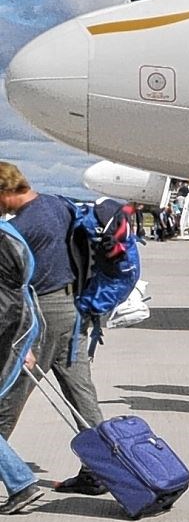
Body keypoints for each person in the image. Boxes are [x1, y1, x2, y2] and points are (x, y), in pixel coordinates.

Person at [0, 163, 106, 494]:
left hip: (40, 314)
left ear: (4, 192)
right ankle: (102, 469)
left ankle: (14, 477)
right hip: (74, 308)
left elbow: (13, 289)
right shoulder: (58, 204)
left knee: (10, 391)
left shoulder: (21, 228)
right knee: (81, 392)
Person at [0, 213, 45, 514]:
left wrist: (21, 344)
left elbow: (6, 304)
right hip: (20, 323)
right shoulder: (7, 232)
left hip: (11, 327)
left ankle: (21, 483)